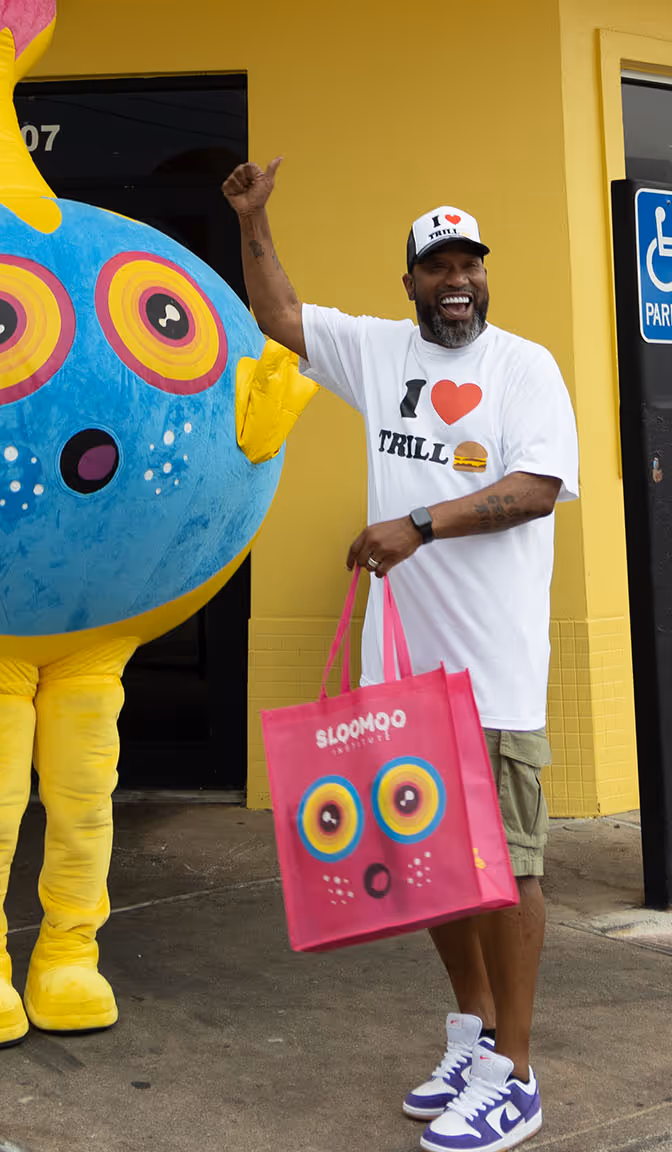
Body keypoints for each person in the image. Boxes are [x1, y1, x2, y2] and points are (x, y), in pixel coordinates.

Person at [222, 157, 579, 1152]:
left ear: (483, 275)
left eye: (469, 262)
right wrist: (255, 220)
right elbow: (281, 316)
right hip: (403, 671)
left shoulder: (524, 368)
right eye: (437, 264)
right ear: (411, 280)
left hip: (494, 671)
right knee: (434, 866)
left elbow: (537, 488)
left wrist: (417, 521)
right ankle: (471, 1033)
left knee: (508, 869)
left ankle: (517, 1068)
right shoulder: (382, 354)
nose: (455, 278)